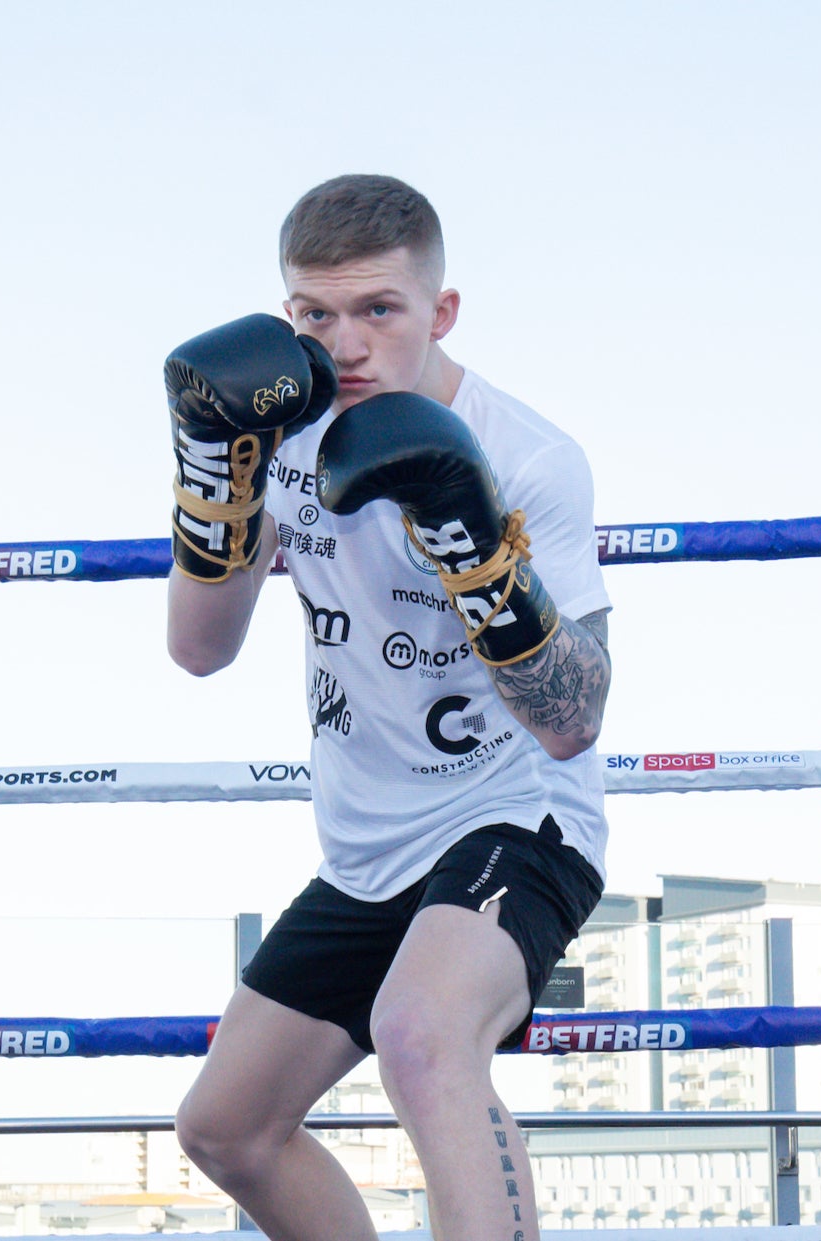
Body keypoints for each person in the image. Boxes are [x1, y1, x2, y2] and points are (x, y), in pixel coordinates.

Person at [165, 174, 612, 1241]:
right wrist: (206, 477)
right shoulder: (280, 435)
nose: (347, 345)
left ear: (440, 312)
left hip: (516, 816)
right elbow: (198, 648)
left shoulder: (527, 456)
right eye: (316, 315)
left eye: (378, 311)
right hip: (366, 845)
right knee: (227, 1126)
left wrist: (472, 544)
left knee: (420, 1037)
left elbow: (573, 720)